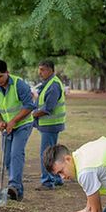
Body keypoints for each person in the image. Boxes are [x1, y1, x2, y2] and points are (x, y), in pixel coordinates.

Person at [0, 59, 36, 201]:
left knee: (16, 153)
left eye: (0, 76)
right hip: (7, 127)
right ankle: (15, 190)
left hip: (23, 124)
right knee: (7, 157)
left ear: (7, 73)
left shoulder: (19, 84)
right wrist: (0, 121)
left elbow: (29, 106)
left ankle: (14, 186)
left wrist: (14, 121)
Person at [32, 60, 66, 191]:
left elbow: (48, 108)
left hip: (51, 124)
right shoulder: (48, 83)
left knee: (46, 154)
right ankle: (57, 178)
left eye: (43, 70)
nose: (40, 72)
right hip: (49, 124)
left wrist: (33, 114)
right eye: (39, 69)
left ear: (51, 70)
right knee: (53, 153)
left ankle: (47, 181)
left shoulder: (53, 85)